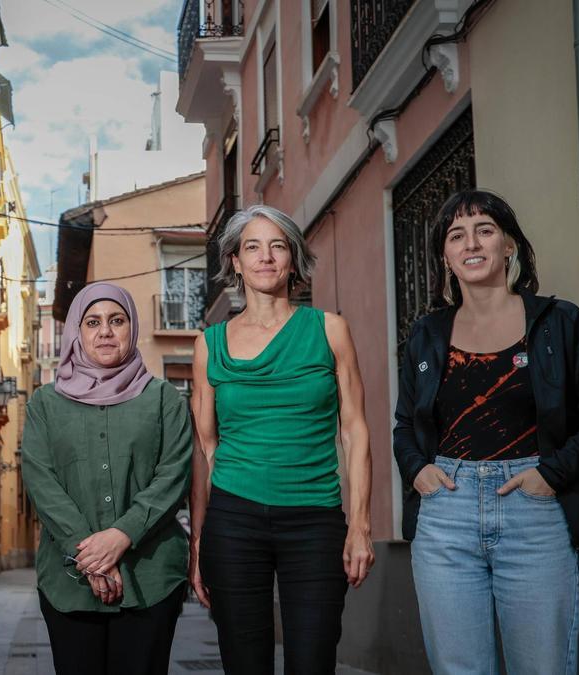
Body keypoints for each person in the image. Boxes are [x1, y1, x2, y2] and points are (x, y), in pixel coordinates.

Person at [393, 189, 579, 674]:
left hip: (536, 511)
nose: (471, 243)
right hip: (447, 515)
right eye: (457, 235)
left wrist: (553, 473)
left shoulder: (559, 323)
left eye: (485, 229)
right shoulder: (427, 334)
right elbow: (404, 425)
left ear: (509, 246)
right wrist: (418, 471)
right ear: (446, 257)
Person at [188, 204, 375, 674]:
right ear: (235, 260)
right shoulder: (209, 344)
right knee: (243, 663)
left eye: (277, 245)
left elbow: (353, 431)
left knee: (312, 661)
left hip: (315, 520)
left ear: (292, 257)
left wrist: (360, 525)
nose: (265, 257)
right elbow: (205, 448)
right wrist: (197, 544)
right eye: (252, 246)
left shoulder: (330, 330)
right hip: (233, 521)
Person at [21, 282, 192, 675]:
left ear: (131, 327)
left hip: (150, 578)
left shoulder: (164, 399)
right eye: (93, 322)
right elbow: (40, 480)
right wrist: (91, 558)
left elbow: (174, 474)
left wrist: (122, 536)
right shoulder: (45, 405)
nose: (105, 331)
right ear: (77, 334)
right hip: (69, 583)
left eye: (117, 320)